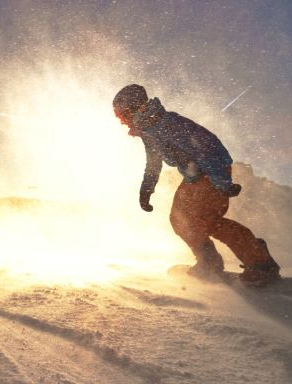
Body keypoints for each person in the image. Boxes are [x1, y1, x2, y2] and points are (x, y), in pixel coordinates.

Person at [112, 84, 280, 285]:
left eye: (122, 116)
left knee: (206, 221)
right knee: (180, 220)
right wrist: (146, 190)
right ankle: (209, 262)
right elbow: (153, 164)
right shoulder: (149, 132)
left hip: (212, 172)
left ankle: (261, 264)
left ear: (136, 108)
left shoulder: (169, 124)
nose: (122, 122)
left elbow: (207, 149)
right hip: (194, 177)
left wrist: (222, 182)